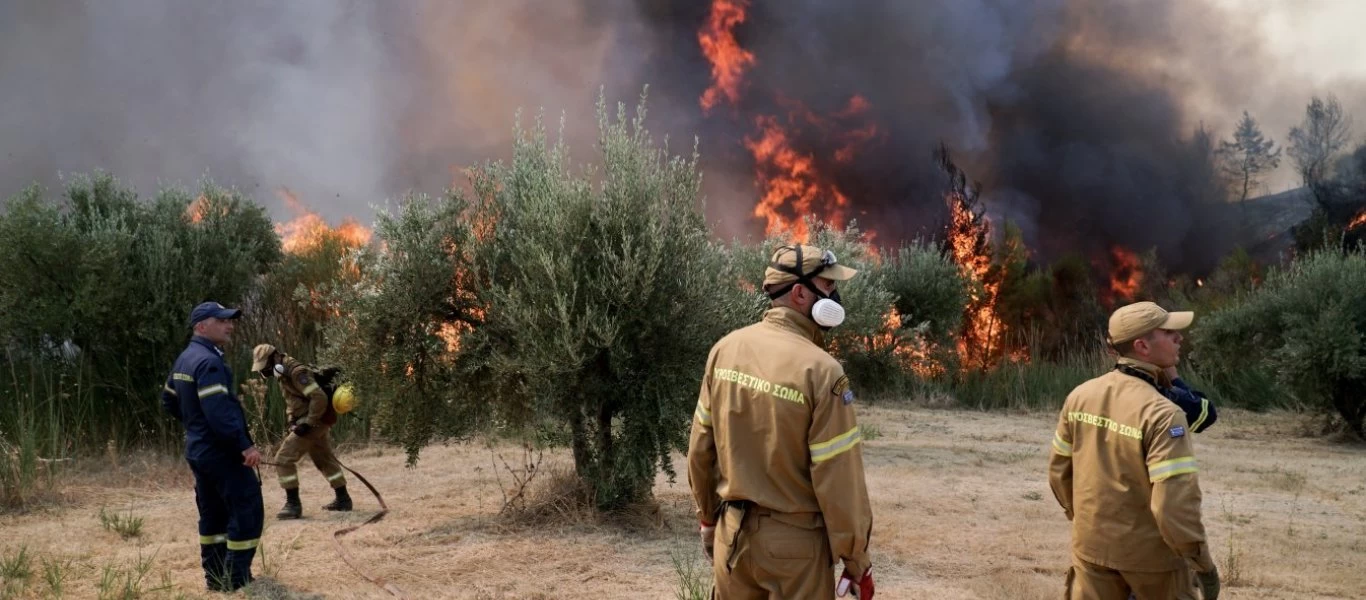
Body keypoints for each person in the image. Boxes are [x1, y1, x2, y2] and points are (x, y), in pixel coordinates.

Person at [688, 244, 875, 599]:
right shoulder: (823, 371)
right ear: (801, 293)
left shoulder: (724, 350)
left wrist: (709, 520)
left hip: (732, 540)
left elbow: (700, 451)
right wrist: (856, 561)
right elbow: (839, 481)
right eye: (828, 285)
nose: (834, 294)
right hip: (797, 552)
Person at [1049, 301, 1220, 599]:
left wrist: (1089, 524)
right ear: (1142, 346)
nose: (1179, 338)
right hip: (1153, 565)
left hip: (1091, 552)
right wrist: (1202, 563)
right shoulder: (1164, 414)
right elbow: (1172, 508)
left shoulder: (1080, 395)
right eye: (1169, 333)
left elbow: (1059, 474)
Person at [160, 301, 264, 592]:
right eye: (222, 320)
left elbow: (168, 400)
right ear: (201, 326)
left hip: (199, 451)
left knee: (213, 515)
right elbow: (219, 413)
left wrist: (195, 427)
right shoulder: (209, 362)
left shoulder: (185, 359)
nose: (229, 325)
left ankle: (215, 579)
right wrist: (244, 446)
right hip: (222, 453)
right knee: (247, 511)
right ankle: (236, 579)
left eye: (230, 320)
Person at [250, 344, 350, 519]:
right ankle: (343, 499)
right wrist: (292, 420)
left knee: (283, 459)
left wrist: (308, 423)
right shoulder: (283, 373)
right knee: (323, 459)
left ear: (275, 358)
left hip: (313, 422)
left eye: (265, 368)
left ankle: (293, 505)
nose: (264, 373)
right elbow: (292, 401)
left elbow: (319, 397)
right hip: (309, 421)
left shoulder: (296, 372)